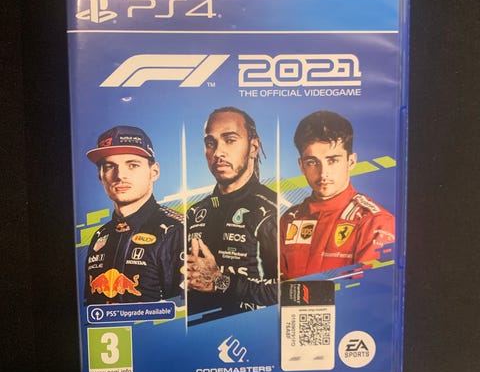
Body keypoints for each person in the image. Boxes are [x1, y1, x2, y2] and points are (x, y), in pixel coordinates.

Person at [186, 107, 277, 322]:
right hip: (196, 333)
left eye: (230, 140)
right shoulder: (195, 213)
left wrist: (221, 282)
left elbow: (292, 291)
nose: (218, 152)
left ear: (253, 147)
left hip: (251, 332)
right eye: (211, 143)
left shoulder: (274, 211)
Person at [280, 110, 395, 280]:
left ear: (351, 161)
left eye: (332, 160)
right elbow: (277, 289)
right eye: (312, 162)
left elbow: (367, 291)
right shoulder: (289, 219)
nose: (323, 173)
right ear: (301, 166)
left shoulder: (375, 223)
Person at [84, 125, 183, 305]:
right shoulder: (100, 235)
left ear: (154, 172)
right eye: (110, 166)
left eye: (132, 165)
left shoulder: (176, 231)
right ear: (100, 176)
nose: (120, 175)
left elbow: (186, 311)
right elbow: (89, 308)